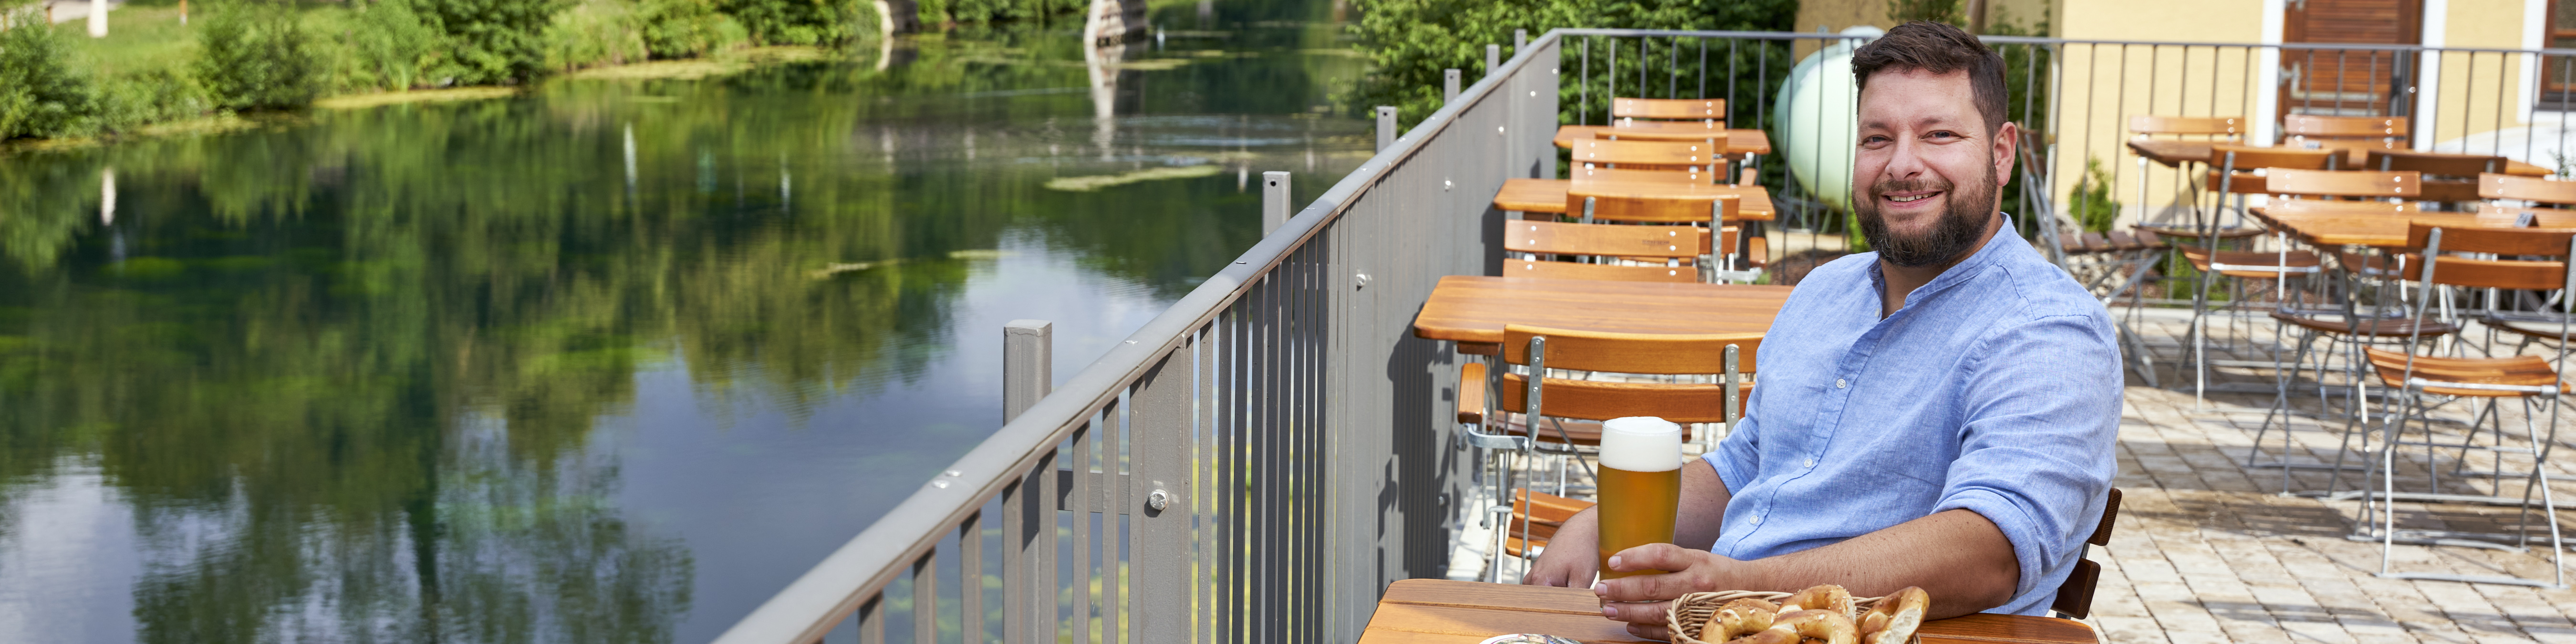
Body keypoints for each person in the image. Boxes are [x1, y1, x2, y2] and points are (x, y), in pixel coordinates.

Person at [1523, 21, 2121, 641]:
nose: (1904, 164)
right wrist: (1598, 523)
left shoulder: (2048, 329)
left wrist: (1739, 584)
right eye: (1877, 138)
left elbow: (1989, 550)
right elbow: (1745, 466)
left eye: (1939, 135)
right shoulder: (1823, 292)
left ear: (2001, 152)